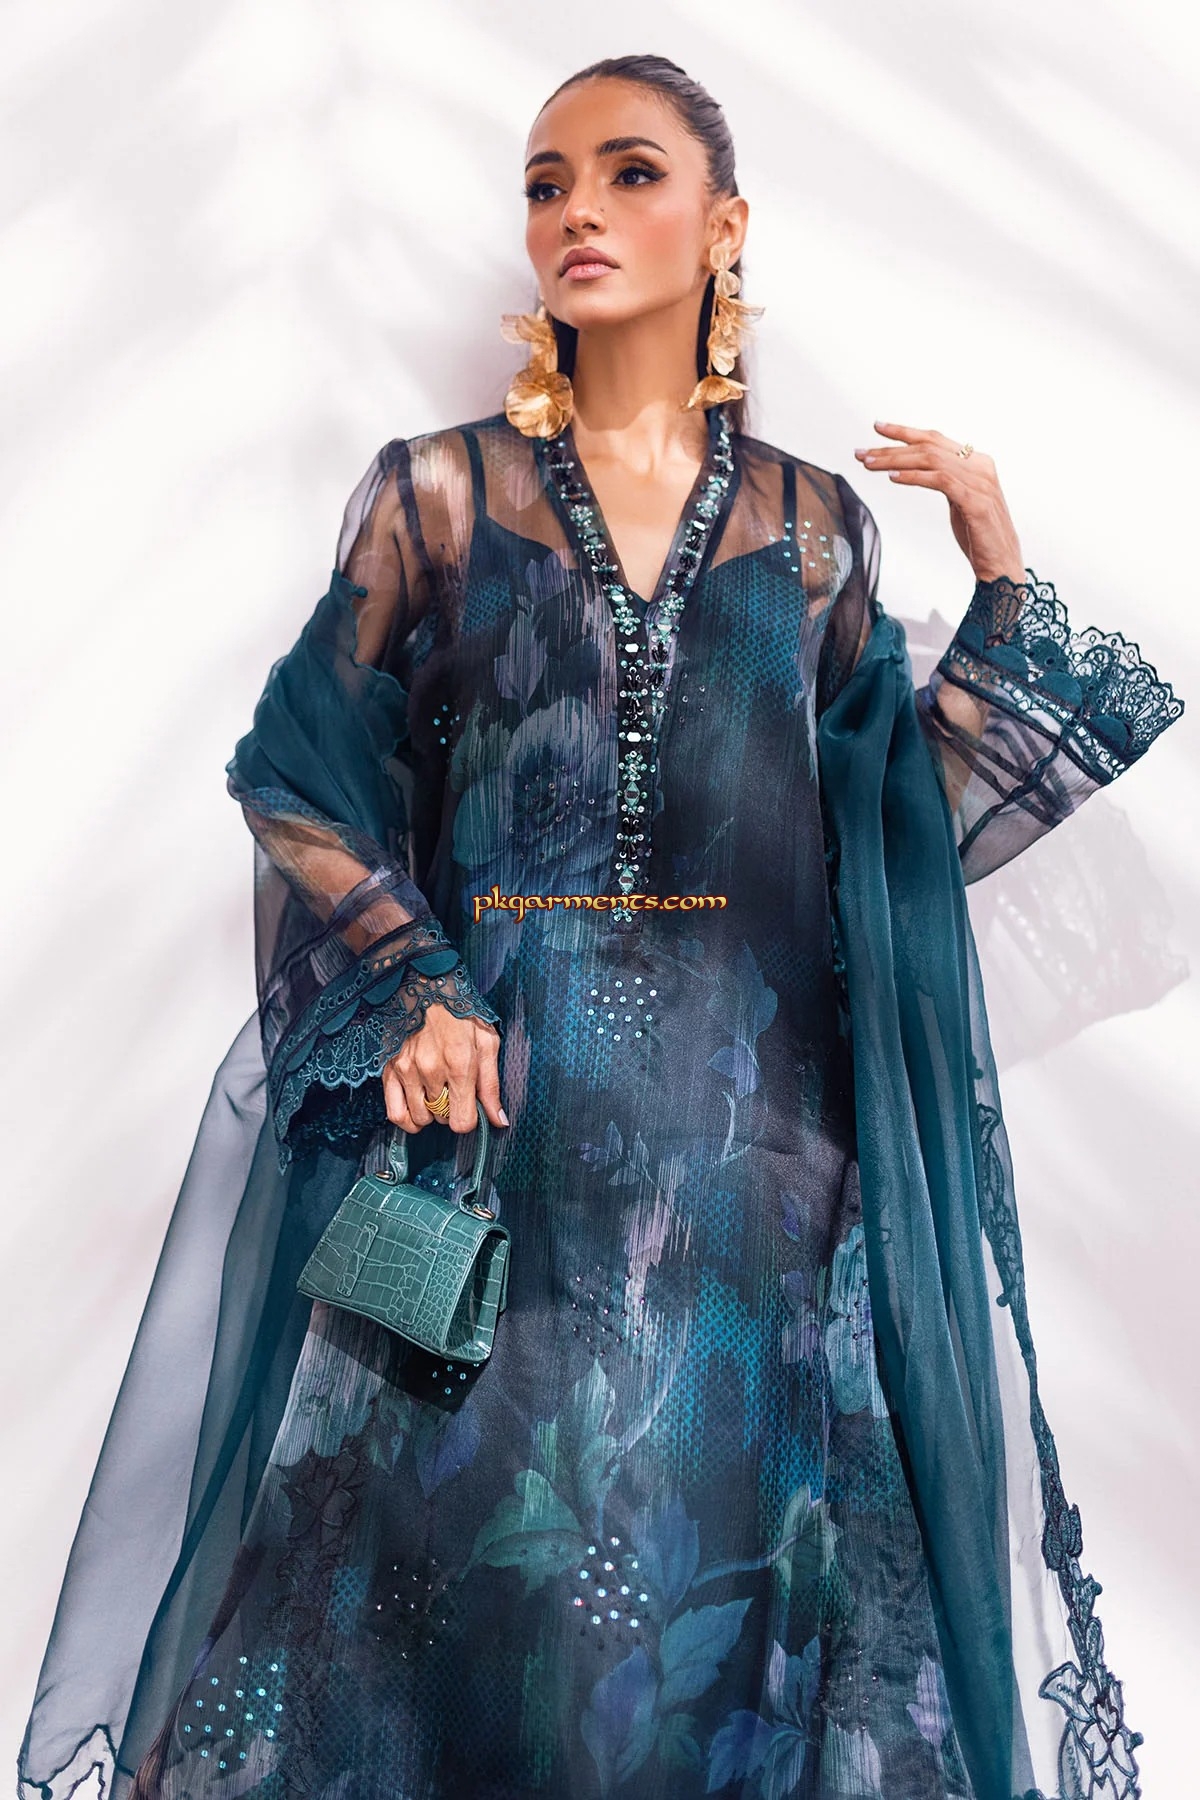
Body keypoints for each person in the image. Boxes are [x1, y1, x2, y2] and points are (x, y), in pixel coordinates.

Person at [17, 52, 1182, 1800]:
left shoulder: (814, 532)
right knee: (433, 1619)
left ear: (725, 225)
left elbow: (890, 846)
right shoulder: (437, 495)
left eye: (630, 173)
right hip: (487, 1158)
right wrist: (416, 981)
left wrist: (1002, 575)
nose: (577, 211)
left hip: (755, 1191)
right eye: (547, 182)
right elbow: (296, 773)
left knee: (725, 1642)